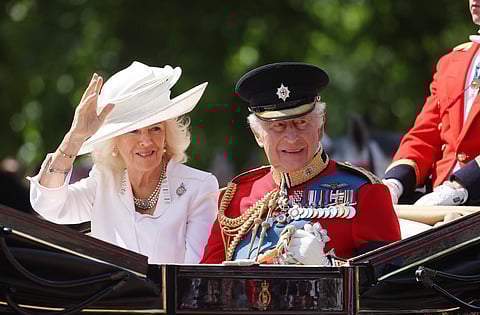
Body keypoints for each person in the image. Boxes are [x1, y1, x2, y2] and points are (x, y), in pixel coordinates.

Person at [201, 62, 401, 265]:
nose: (291, 137)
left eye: (302, 123)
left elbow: (389, 286)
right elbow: (202, 287)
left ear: (320, 126)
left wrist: (328, 267)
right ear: (258, 136)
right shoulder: (237, 196)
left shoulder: (364, 192)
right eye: (278, 126)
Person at [28, 61, 219, 264]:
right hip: (110, 296)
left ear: (166, 135)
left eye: (155, 128)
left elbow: (195, 275)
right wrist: (75, 138)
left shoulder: (198, 187)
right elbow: (49, 206)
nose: (145, 141)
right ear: (115, 141)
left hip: (170, 296)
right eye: (133, 130)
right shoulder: (104, 180)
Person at [383, 0, 480, 207]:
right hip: (435, 202)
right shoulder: (452, 61)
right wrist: (395, 182)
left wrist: (462, 186)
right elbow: (425, 134)